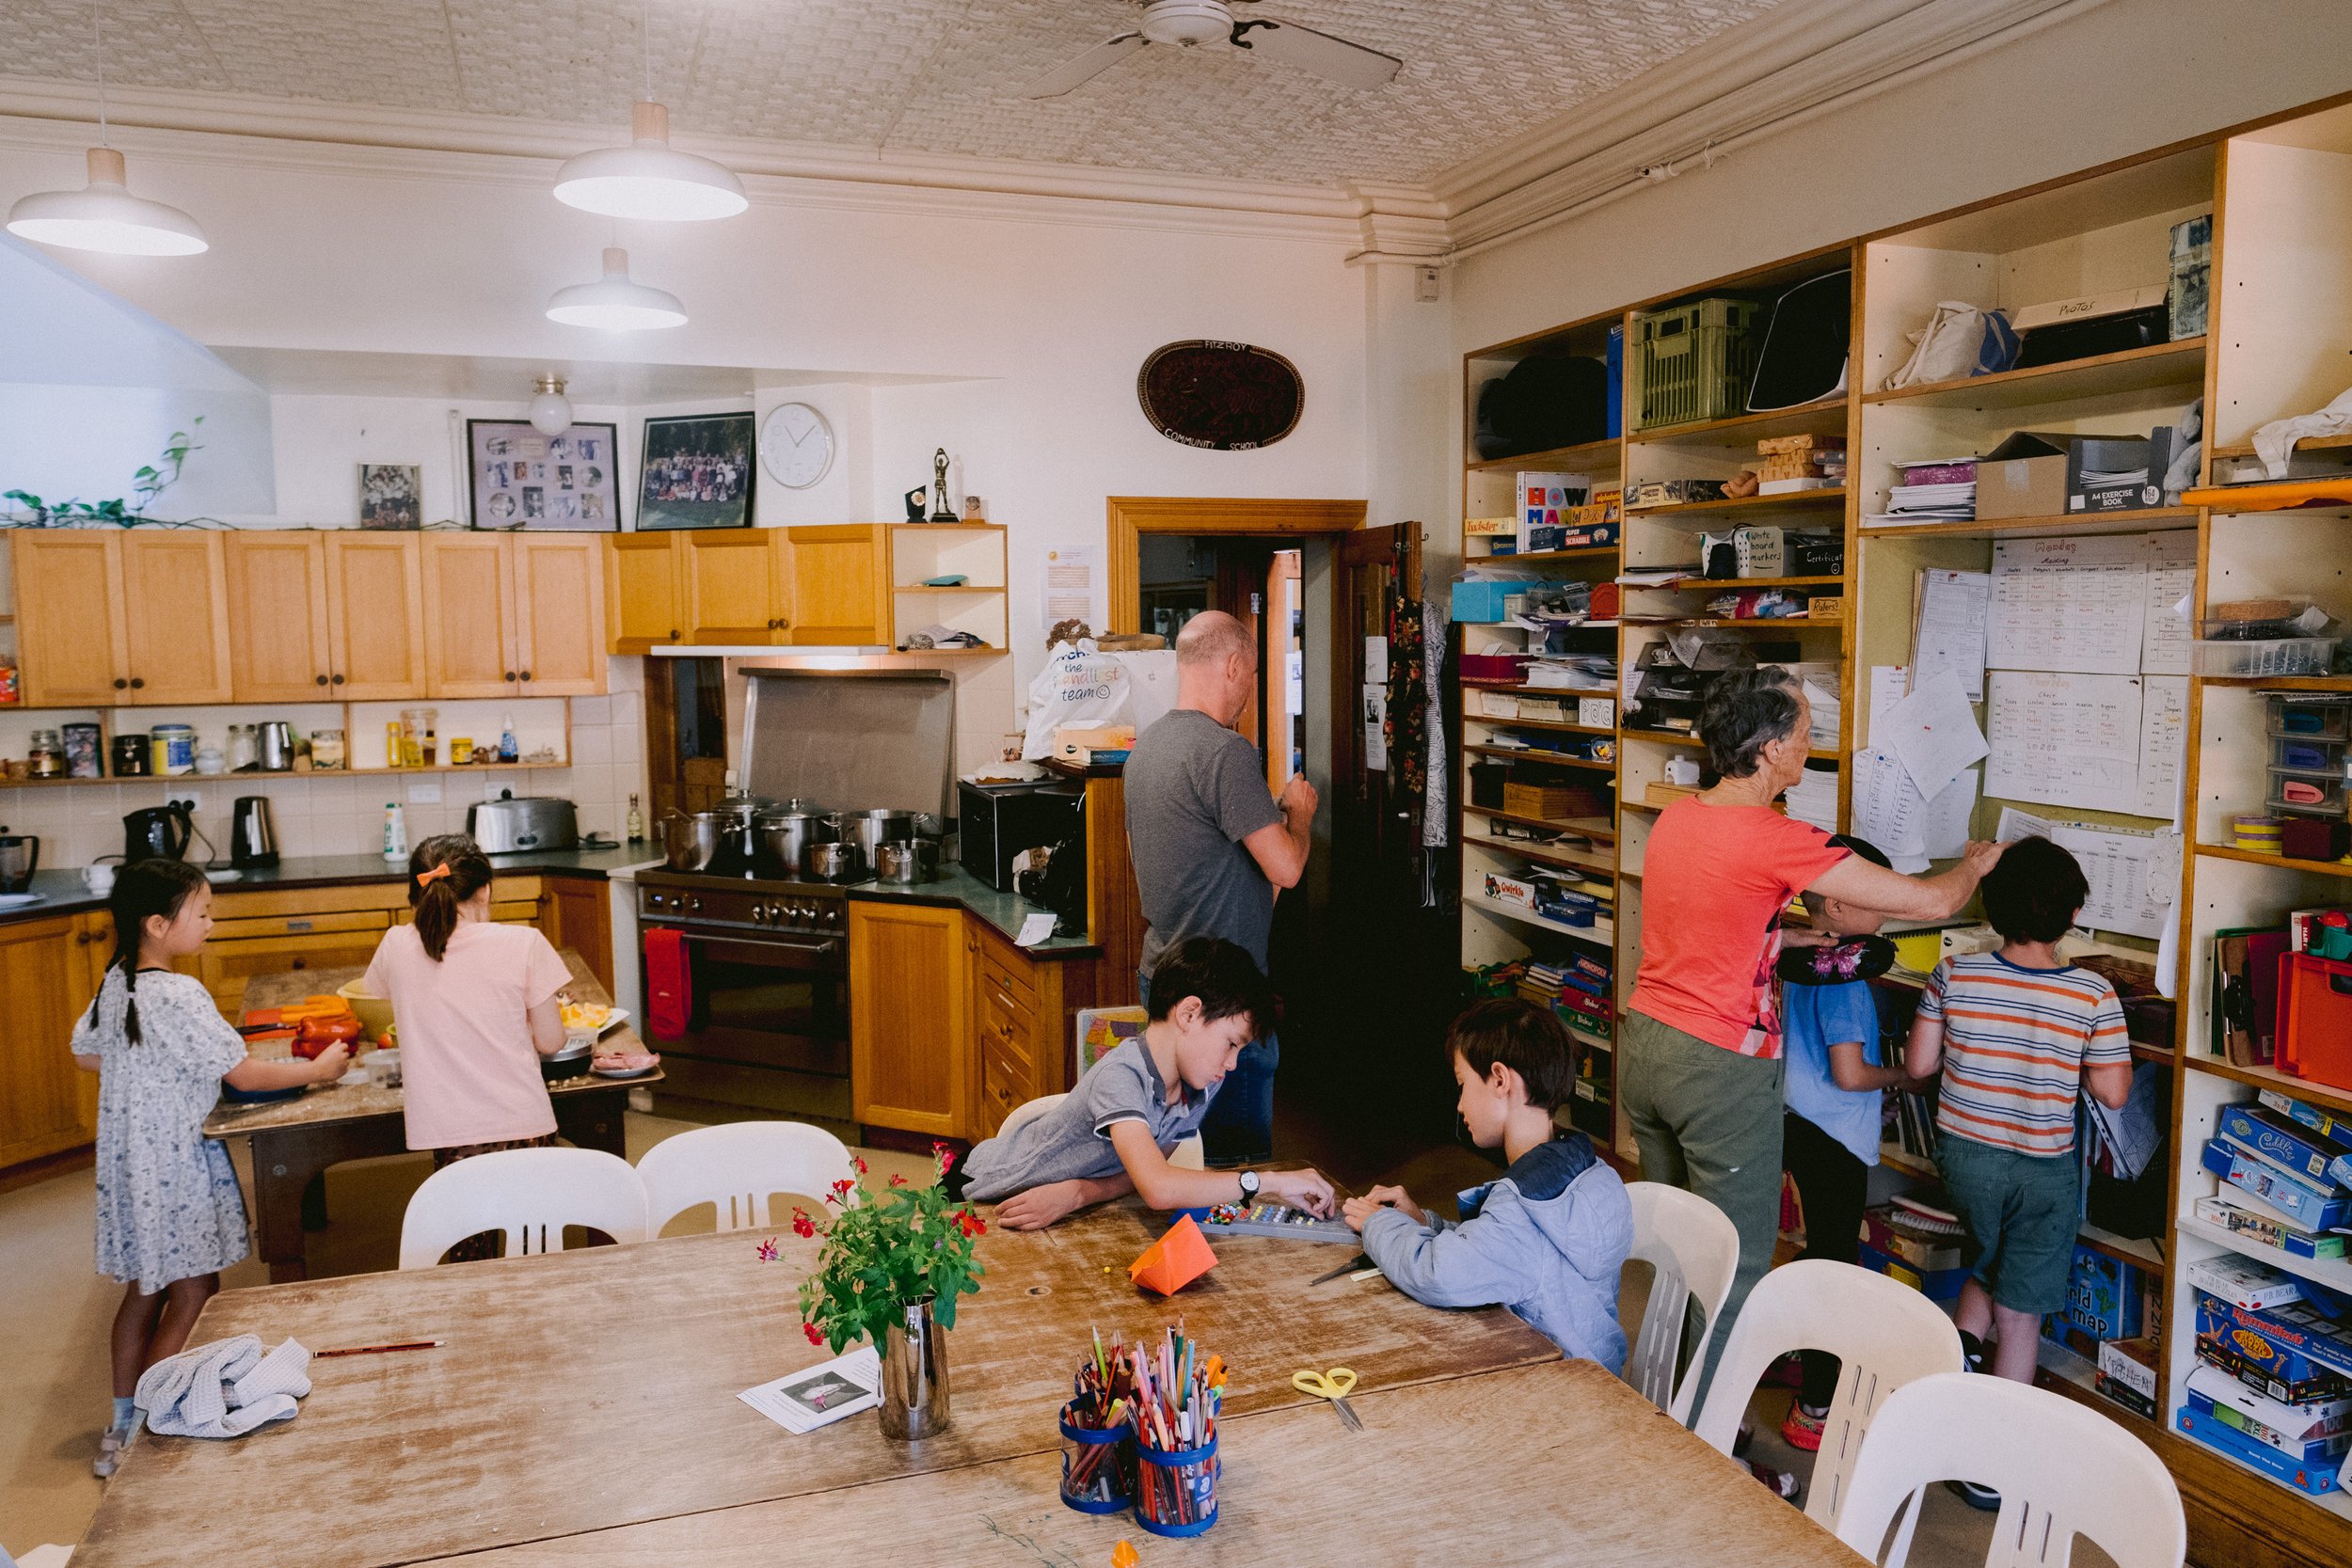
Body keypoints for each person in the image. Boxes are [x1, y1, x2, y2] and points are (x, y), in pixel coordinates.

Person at [1623, 665, 2008, 1399]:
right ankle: (1706, 1454)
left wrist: (1790, 939)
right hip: (1717, 1069)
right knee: (1732, 1265)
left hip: (1648, 1048)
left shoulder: (1680, 816)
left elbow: (1715, 922)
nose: (1810, 744)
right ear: (1769, 748)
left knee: (1674, 1250)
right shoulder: (1777, 837)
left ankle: (1660, 1406)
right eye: (1803, 732)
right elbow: (1927, 901)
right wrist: (1973, 868)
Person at [72, 860, 350, 1478]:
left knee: (145, 1289)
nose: (211, 924)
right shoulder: (179, 992)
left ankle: (120, 1425)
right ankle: (148, 1424)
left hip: (128, 1162)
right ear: (158, 923)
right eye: (202, 913)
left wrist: (147, 1063)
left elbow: (89, 1053)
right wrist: (317, 1070)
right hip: (172, 1160)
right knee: (196, 1289)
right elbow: (244, 1074)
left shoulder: (118, 980)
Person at [1906, 834, 2132, 1463]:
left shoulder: (1954, 971)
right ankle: (1990, 1463)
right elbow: (2114, 1094)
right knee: (2022, 1311)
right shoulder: (2092, 994)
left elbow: (1920, 1064)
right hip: (2042, 1168)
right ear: (2073, 915)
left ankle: (1954, 1369)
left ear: (1992, 907)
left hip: (1964, 1160)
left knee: (1988, 1254)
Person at [958, 936, 1336, 1228]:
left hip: (1055, 1209)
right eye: (1231, 1044)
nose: (1232, 1064)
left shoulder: (1201, 1084)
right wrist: (1266, 1181)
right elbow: (1158, 1188)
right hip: (983, 1192)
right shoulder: (1121, 1076)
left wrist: (1076, 1193)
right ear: (1189, 1013)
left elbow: (1142, 1178)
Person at [1341, 1000, 1632, 1370]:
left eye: (1462, 1085)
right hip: (1600, 1377)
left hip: (1553, 1392)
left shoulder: (1521, 1210)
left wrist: (1378, 1224)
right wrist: (1423, 1224)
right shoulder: (1593, 1173)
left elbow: (1437, 1274)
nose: (1460, 1105)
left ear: (1499, 1079)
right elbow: (1505, 1253)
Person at [1123, 610, 1316, 1166]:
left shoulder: (1145, 751)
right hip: (1222, 998)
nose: (1248, 696)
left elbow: (1204, 867)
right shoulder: (1226, 753)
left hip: (1161, 978)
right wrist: (1298, 815)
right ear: (1234, 666)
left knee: (1180, 1147)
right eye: (1252, 679)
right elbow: (1286, 869)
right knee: (1237, 1164)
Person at [1773, 833, 1917, 1451]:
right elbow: (1851, 1073)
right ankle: (1816, 1407)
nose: (1882, 904)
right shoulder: (1849, 981)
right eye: (1870, 893)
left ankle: (1782, 1348)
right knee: (1835, 1257)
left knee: (1810, 1247)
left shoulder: (1789, 954)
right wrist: (1908, 1075)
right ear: (1834, 905)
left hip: (1789, 1115)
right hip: (1833, 1131)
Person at [360, 835, 572, 1246]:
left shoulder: (395, 945)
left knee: (471, 1257)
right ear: (485, 888)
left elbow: (413, 1004)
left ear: (414, 894)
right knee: (533, 1253)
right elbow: (551, 1041)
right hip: (522, 1123)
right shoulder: (524, 943)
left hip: (449, 1133)